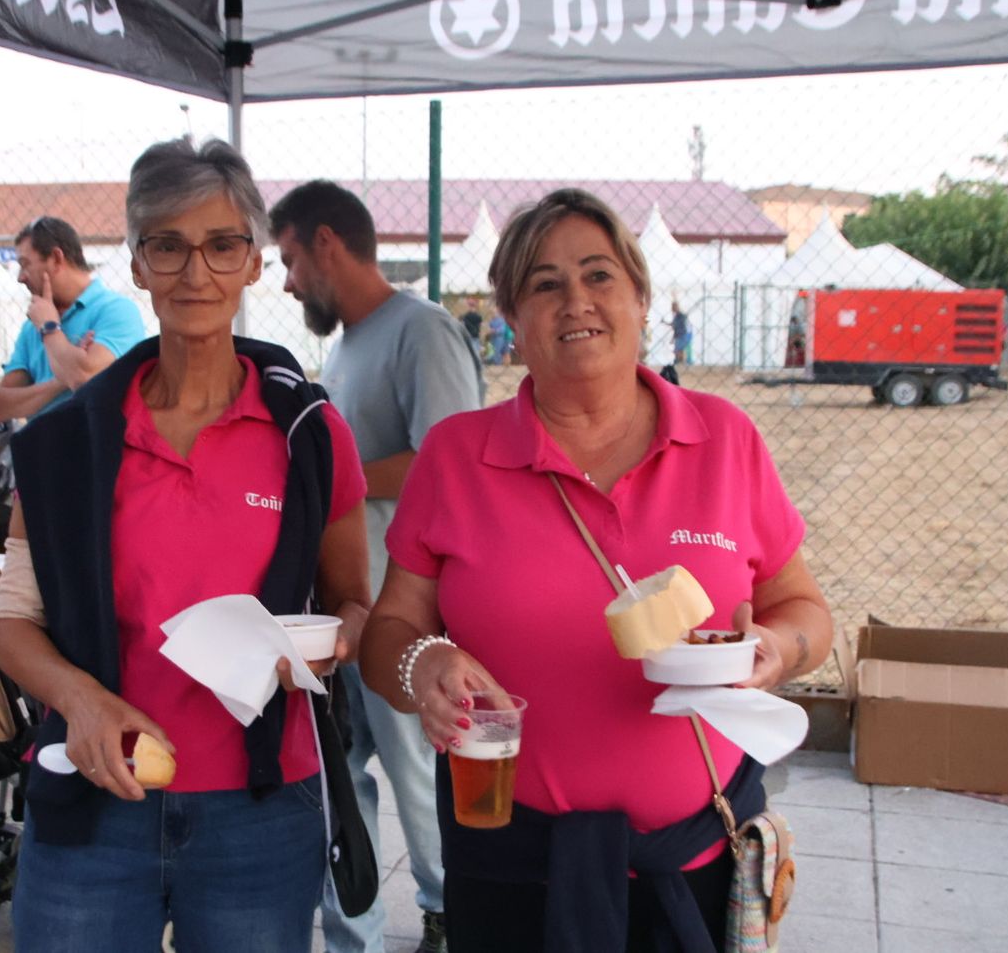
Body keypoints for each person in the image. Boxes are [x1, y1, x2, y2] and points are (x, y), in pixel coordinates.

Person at [358, 189, 833, 951]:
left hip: (694, 857)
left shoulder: (725, 439)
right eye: (544, 283)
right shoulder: (455, 456)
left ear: (642, 298)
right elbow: (387, 631)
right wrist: (424, 661)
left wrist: (777, 651)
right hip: (510, 866)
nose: (575, 299)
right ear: (512, 318)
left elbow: (805, 609)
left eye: (599, 274)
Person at [0, 138, 371, 953]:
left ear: (254, 264)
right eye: (168, 245)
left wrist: (325, 649)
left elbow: (355, 603)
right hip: (95, 797)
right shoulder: (67, 443)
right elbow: (13, 620)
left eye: (222, 244)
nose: (195, 272)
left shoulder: (309, 434)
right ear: (136, 263)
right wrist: (82, 701)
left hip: (261, 810)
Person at [272, 180, 480, 953]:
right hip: (347, 603)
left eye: (290, 258)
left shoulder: (420, 331)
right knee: (340, 774)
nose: (286, 280)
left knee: (418, 770)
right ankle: (353, 929)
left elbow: (448, 459)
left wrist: (330, 477)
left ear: (328, 243)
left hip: (407, 608)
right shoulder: (349, 343)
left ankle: (448, 912)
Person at [0, 215, 146, 422]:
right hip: (43, 450)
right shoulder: (31, 326)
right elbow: (1, 407)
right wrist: (61, 379)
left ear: (55, 258)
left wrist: (49, 329)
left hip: (99, 450)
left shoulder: (116, 311)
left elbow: (84, 378)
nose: (20, 277)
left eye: (25, 264)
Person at [666, 299, 693, 366]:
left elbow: (676, 326)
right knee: (679, 349)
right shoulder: (677, 315)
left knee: (679, 349)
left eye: (673, 307)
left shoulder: (680, 315)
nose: (672, 309)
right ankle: (680, 361)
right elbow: (674, 325)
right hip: (681, 334)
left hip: (683, 334)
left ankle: (681, 361)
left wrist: (674, 337)